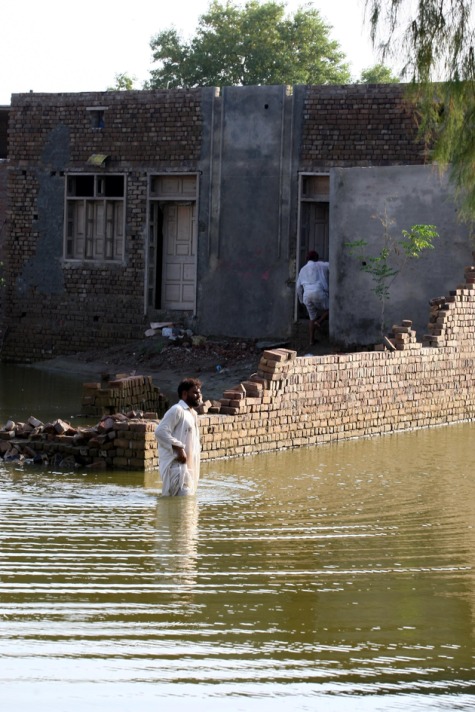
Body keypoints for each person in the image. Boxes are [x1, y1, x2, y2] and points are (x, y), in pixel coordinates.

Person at [154, 378, 202, 496]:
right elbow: (160, 432)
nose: (199, 395)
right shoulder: (177, 410)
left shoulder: (193, 414)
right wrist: (178, 448)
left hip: (189, 471)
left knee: (187, 510)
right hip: (177, 471)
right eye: (195, 393)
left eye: (199, 392)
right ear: (185, 394)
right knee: (181, 508)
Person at [296, 250, 329, 345]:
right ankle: (319, 321)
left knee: (311, 318)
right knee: (331, 308)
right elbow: (332, 265)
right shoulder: (321, 265)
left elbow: (298, 286)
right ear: (316, 258)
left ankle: (311, 341)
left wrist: (301, 300)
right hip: (318, 292)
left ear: (307, 259)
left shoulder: (302, 269)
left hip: (307, 295)